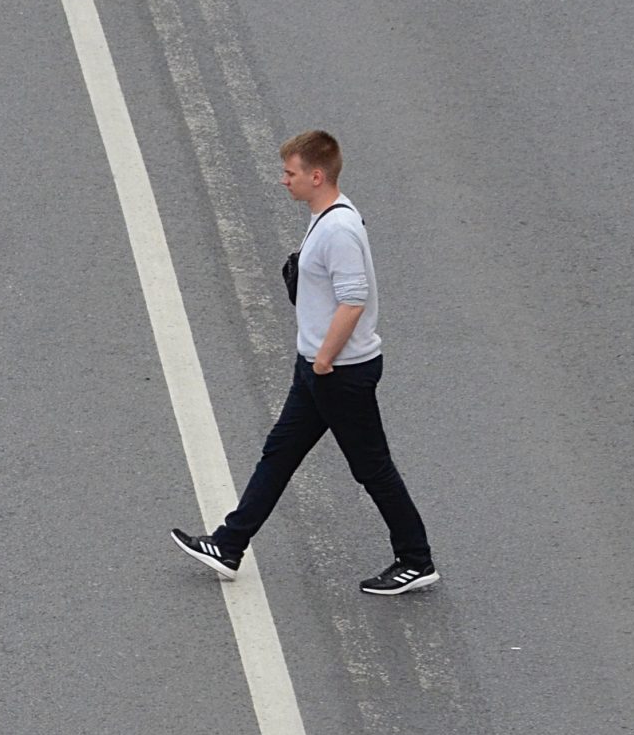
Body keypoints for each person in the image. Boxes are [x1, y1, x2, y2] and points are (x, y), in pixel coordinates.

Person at [172, 130, 437, 595]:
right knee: (279, 454)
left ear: (317, 175)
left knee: (371, 468)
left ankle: (416, 559)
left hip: (339, 372)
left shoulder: (338, 230)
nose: (283, 180)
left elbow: (353, 301)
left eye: (290, 173)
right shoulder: (328, 217)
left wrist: (323, 361)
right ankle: (229, 544)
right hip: (319, 368)